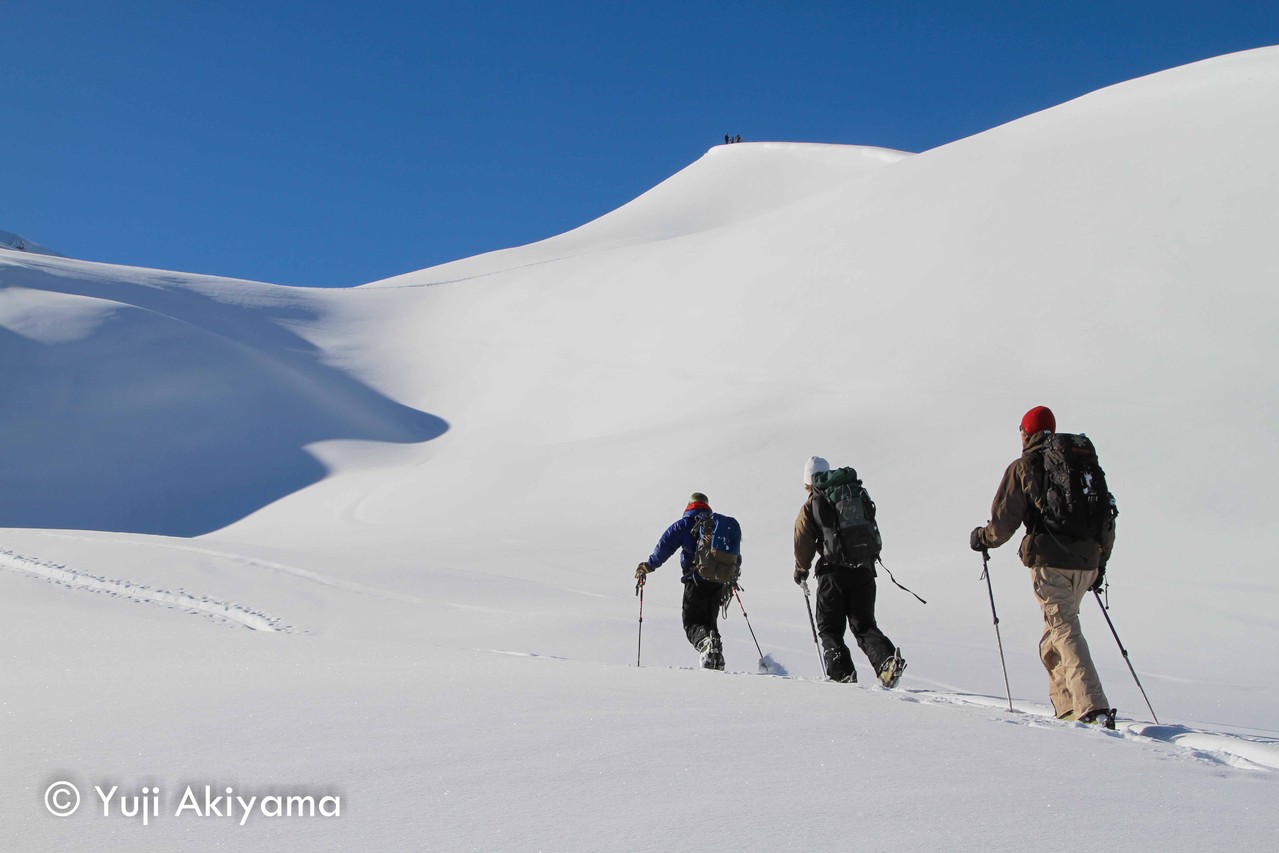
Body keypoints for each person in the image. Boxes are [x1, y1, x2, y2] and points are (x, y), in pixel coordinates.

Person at [969, 405, 1117, 728]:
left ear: (1027, 432)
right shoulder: (1079, 466)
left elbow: (1002, 524)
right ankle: (1067, 710)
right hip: (1088, 565)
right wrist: (1099, 565)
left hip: (1051, 566)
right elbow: (1106, 518)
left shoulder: (1025, 466)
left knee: (1064, 630)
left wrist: (982, 538)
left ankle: (1093, 708)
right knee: (1052, 640)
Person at [794, 456, 906, 686]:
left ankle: (841, 675)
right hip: (864, 569)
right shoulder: (853, 495)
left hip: (832, 574)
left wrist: (801, 570)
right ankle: (886, 661)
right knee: (864, 624)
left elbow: (803, 542)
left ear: (808, 482)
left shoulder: (812, 504)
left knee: (829, 628)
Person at [635, 492, 733, 670]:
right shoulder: (718, 526)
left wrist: (649, 565)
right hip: (718, 583)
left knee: (691, 623)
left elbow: (665, 545)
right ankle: (715, 656)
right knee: (710, 624)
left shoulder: (686, 523)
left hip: (695, 580)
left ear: (689, 506)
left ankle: (707, 646)